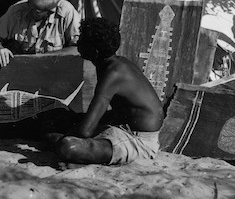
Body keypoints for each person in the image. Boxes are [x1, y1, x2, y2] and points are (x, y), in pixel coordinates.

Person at [50, 18, 164, 166]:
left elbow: (85, 131)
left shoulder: (113, 73)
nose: (78, 43)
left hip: (138, 141)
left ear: (94, 51)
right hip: (121, 128)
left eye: (82, 40)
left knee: (68, 146)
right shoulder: (111, 63)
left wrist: (65, 133)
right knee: (57, 118)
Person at [0, 0, 80, 67]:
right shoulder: (17, 10)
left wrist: (44, 59)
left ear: (49, 11)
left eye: (36, 10)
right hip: (21, 68)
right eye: (29, 4)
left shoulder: (67, 12)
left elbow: (77, 48)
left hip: (55, 68)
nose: (29, 10)